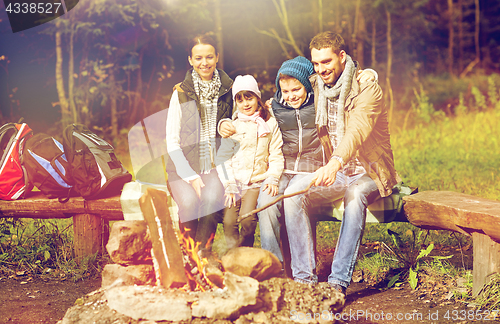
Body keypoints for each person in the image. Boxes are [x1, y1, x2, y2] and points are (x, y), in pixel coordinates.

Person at [282, 32, 401, 296]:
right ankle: (304, 282)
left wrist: (334, 162)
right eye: (316, 63)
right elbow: (290, 92)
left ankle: (337, 282)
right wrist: (264, 107)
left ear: (342, 57)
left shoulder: (367, 87)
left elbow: (357, 130)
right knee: (292, 192)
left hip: (370, 172)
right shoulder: (316, 85)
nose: (321, 69)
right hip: (336, 172)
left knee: (355, 193)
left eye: (327, 61)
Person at [165, 34, 234, 256]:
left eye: (209, 57)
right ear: (190, 60)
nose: (204, 63)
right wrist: (191, 177)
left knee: (211, 200)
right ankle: (187, 256)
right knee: (188, 203)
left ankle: (202, 257)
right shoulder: (181, 93)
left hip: (215, 166)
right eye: (198, 58)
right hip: (182, 167)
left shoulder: (228, 90)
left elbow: (247, 116)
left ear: (217, 57)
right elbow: (172, 141)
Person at [256, 56, 324, 263]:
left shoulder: (320, 103)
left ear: (307, 85)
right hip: (282, 169)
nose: (291, 96)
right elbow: (246, 119)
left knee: (294, 199)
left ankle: (303, 270)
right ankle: (274, 268)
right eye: (285, 91)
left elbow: (346, 85)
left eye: (296, 90)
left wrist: (368, 75)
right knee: (266, 202)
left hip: (311, 168)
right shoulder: (274, 107)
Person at [215, 75, 284, 251]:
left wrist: (273, 178)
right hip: (235, 183)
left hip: (255, 182)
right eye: (240, 99)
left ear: (257, 98)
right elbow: (223, 159)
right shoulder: (232, 126)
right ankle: (232, 255)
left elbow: (276, 154)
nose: (245, 104)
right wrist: (229, 183)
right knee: (229, 221)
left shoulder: (269, 124)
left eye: (249, 97)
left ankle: (246, 255)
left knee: (247, 219)